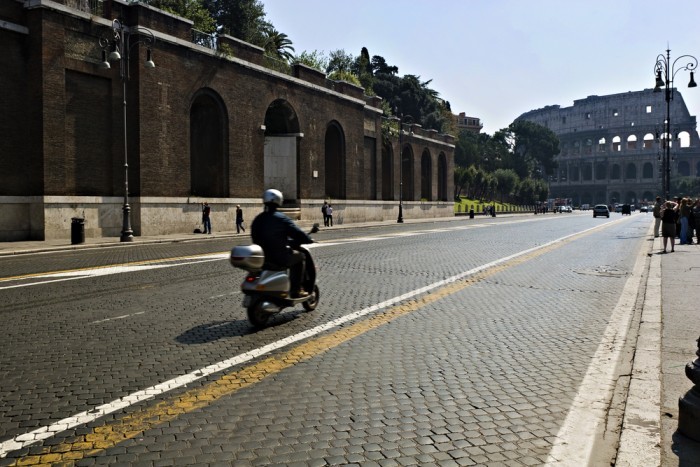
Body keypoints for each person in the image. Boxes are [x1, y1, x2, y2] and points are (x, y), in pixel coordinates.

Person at [251, 189, 313, 298]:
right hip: (279, 257)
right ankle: (296, 290)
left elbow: (254, 236)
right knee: (300, 257)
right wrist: (307, 238)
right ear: (279, 200)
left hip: (262, 258)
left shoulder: (258, 219)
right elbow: (296, 232)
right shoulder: (281, 218)